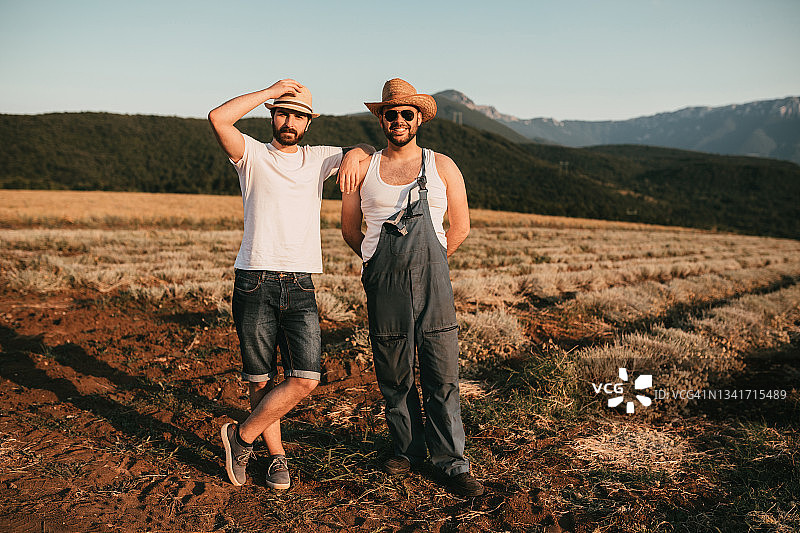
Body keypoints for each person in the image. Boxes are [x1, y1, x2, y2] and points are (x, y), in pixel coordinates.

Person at [208, 79, 374, 489]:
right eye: (282, 112)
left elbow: (369, 152)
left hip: (300, 284)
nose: (289, 121)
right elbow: (218, 117)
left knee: (306, 377)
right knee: (260, 380)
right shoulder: (251, 155)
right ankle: (277, 457)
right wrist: (269, 90)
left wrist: (359, 151)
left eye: (298, 115)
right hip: (254, 279)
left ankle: (241, 436)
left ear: (308, 123)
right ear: (272, 115)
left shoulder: (319, 159)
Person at [340, 78, 484, 497]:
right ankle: (407, 449)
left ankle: (452, 462)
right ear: (381, 118)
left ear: (418, 118)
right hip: (383, 281)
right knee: (393, 372)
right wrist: (375, 262)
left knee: (441, 373)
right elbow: (350, 229)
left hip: (433, 278)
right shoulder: (363, 167)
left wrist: (431, 262)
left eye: (407, 113)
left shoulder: (442, 165)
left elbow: (461, 227)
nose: (399, 120)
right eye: (391, 113)